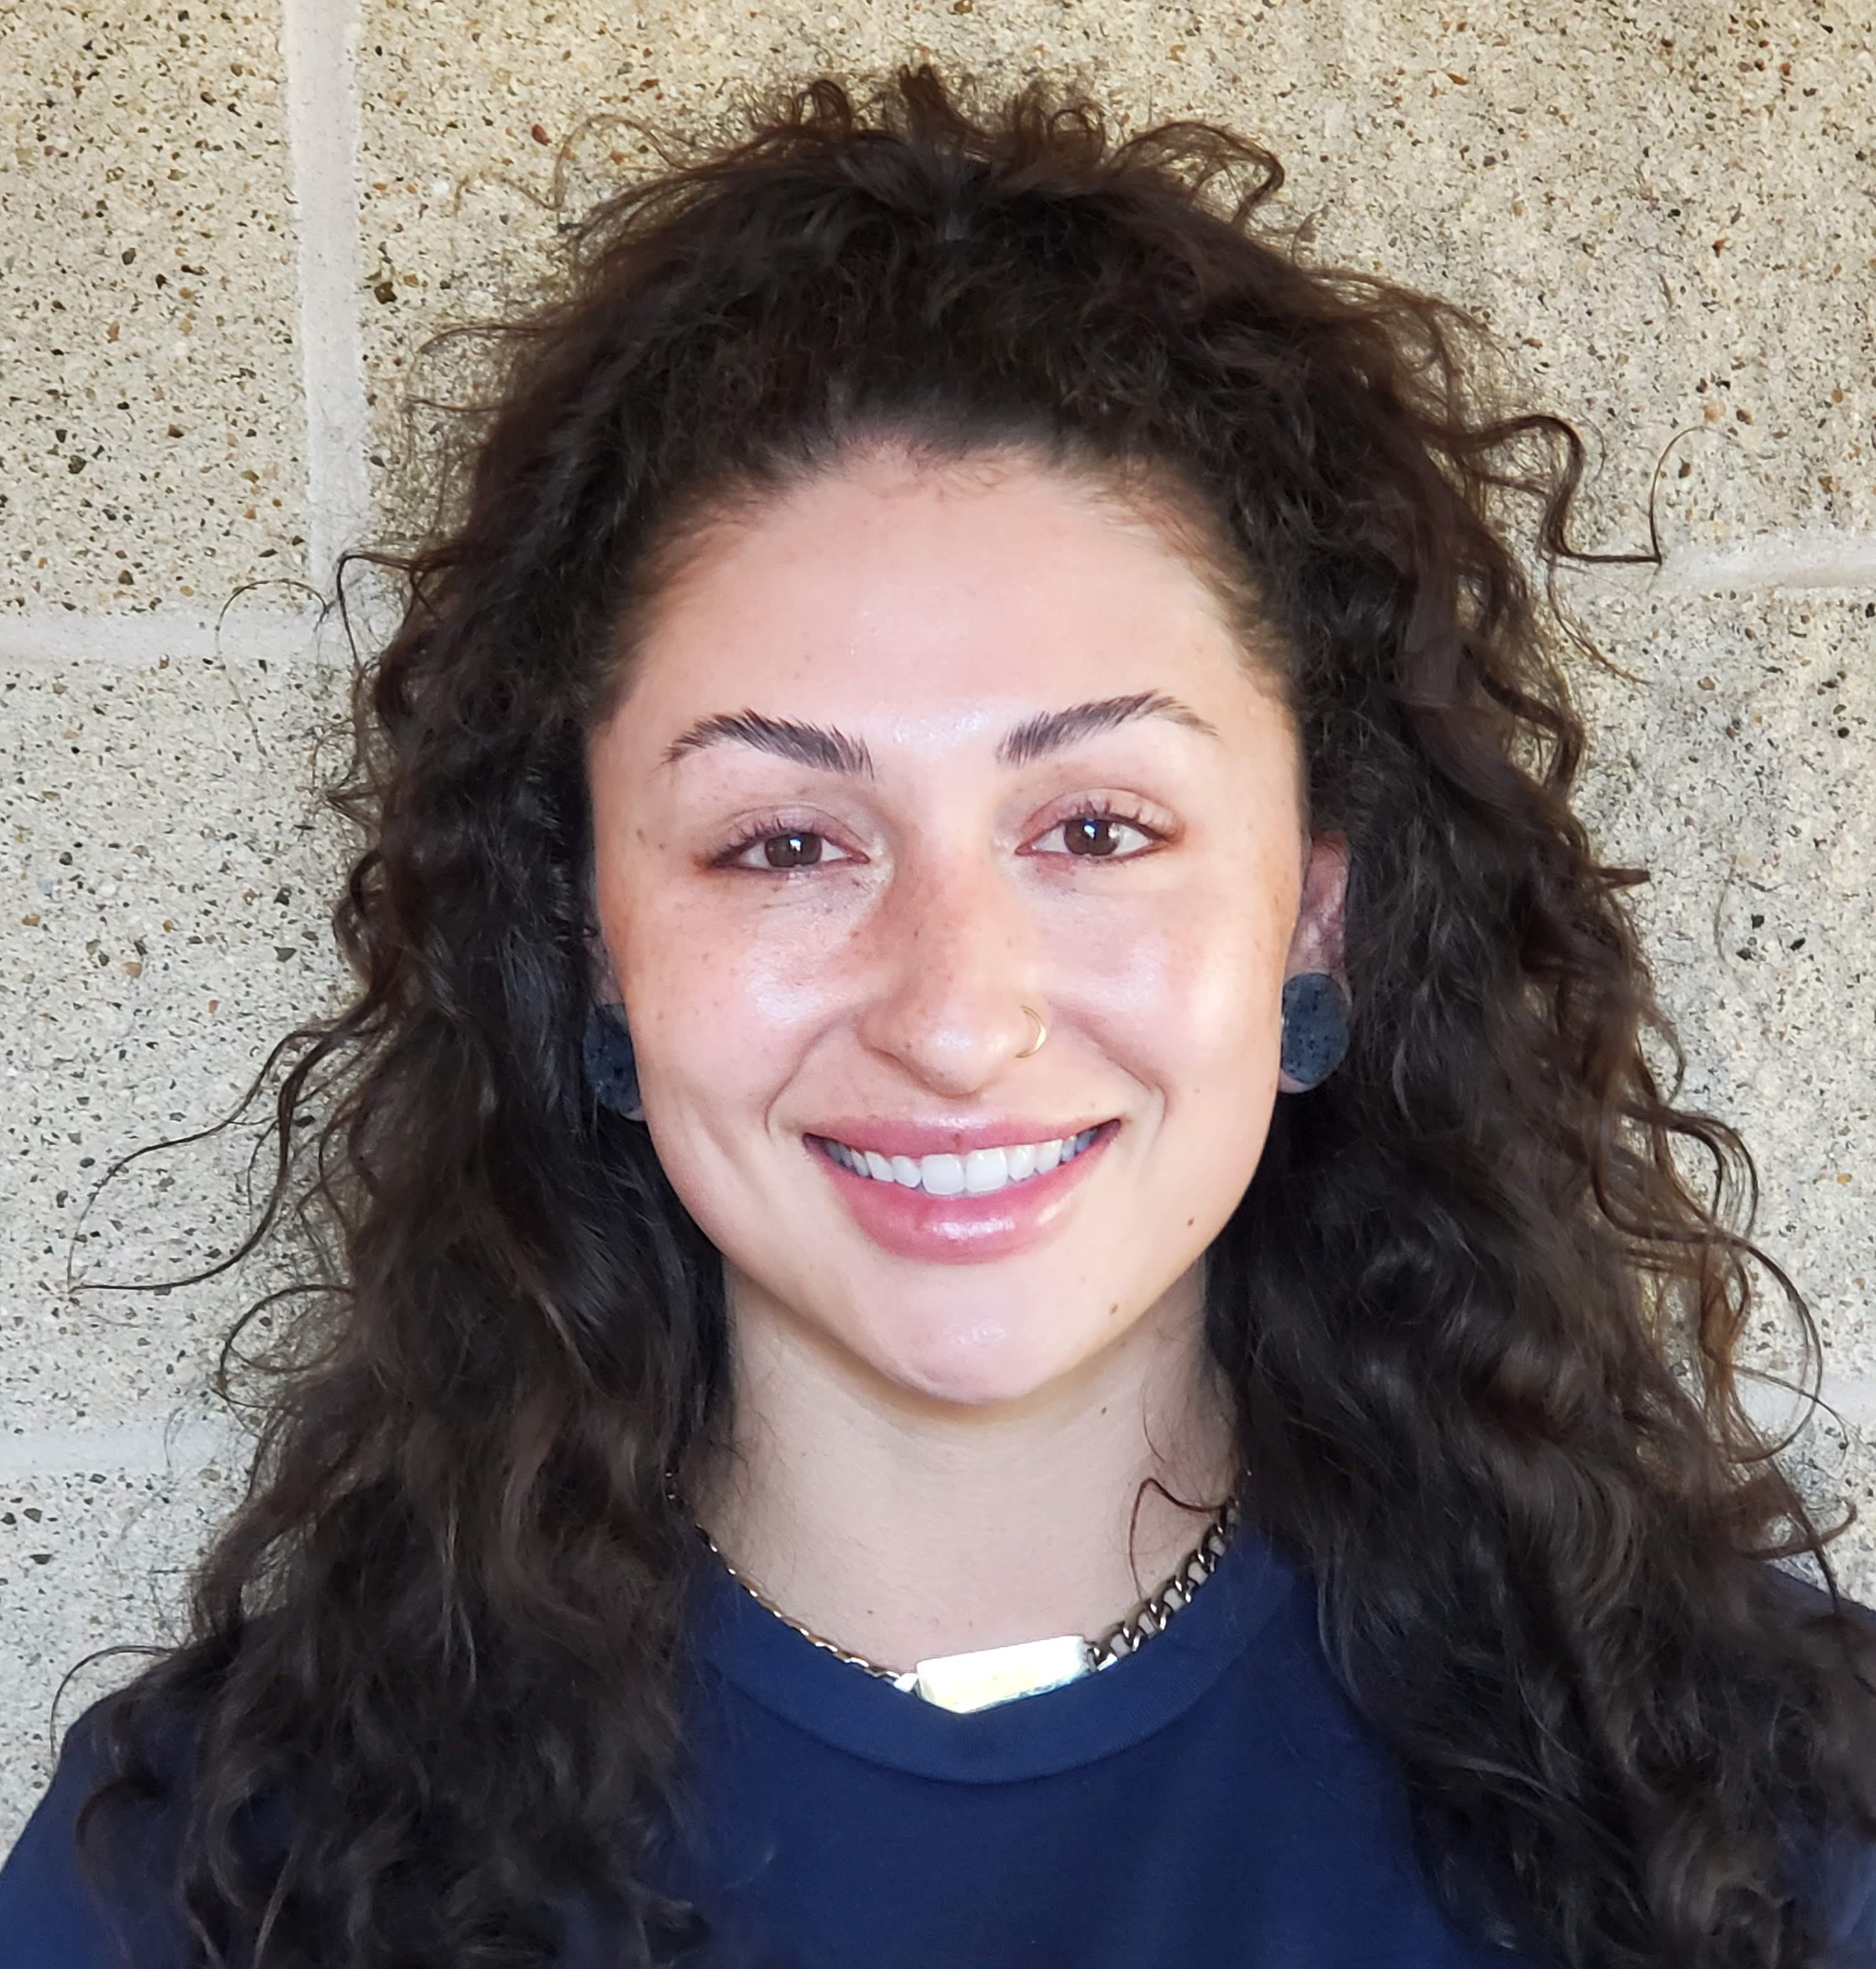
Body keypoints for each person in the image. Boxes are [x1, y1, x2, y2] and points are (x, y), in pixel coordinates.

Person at [3, 61, 1874, 1969]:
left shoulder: (1776, 1836)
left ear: (1317, 917)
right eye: (785, 843)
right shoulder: (209, 1886)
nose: (957, 1018)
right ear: (591, 944)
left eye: (1096, 828)